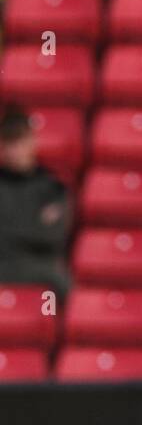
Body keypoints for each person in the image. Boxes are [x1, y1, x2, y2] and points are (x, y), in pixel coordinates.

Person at [0, 106, 72, 298]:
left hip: (39, 268)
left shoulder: (52, 188)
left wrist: (9, 232)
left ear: (32, 141)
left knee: (63, 282)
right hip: (3, 264)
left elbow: (52, 236)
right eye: (9, 142)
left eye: (20, 141)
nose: (15, 150)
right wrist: (32, 227)